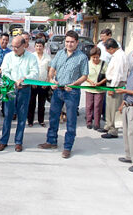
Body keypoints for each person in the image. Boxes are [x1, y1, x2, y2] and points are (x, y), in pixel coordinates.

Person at [38, 30, 89, 159]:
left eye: (72, 42)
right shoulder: (60, 54)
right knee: (53, 117)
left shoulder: (82, 57)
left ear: (77, 42)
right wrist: (51, 80)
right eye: (67, 41)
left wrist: (73, 84)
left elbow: (84, 75)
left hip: (72, 92)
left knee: (71, 120)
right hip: (57, 91)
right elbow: (52, 70)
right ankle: (51, 141)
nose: (69, 44)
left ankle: (67, 147)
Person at [0, 36, 39, 153]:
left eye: (17, 47)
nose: (14, 49)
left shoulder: (31, 57)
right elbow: (5, 71)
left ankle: (18, 142)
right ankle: (3, 141)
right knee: (7, 115)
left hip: (24, 90)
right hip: (10, 88)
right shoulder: (8, 56)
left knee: (22, 116)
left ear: (24, 45)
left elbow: (35, 73)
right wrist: (13, 81)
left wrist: (24, 78)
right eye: (13, 46)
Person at [98, 38, 128, 138]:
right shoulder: (116, 55)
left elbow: (117, 74)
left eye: (107, 50)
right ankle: (108, 125)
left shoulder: (120, 56)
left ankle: (113, 130)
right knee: (109, 107)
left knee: (114, 108)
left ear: (111, 48)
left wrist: (113, 88)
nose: (107, 52)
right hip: (110, 83)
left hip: (115, 84)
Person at [27, 39, 51, 127]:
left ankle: (41, 120)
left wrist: (47, 82)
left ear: (43, 47)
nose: (38, 47)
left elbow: (50, 71)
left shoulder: (47, 57)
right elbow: (28, 70)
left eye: (40, 46)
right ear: (34, 47)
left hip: (43, 84)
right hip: (33, 84)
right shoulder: (31, 56)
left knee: (42, 104)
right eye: (37, 46)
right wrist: (32, 82)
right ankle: (30, 121)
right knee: (31, 103)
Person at [83, 47, 107, 130]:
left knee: (97, 106)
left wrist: (99, 83)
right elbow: (84, 76)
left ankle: (97, 123)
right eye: (93, 57)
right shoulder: (87, 64)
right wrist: (90, 82)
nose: (95, 59)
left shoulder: (104, 64)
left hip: (99, 89)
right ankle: (89, 122)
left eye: (97, 57)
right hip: (89, 88)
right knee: (89, 106)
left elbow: (107, 76)